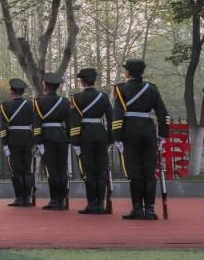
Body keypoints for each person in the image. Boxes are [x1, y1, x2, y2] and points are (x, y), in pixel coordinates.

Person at [112, 58, 170, 220]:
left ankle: (137, 208)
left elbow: (117, 115)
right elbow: (163, 114)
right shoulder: (152, 89)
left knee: (135, 171)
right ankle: (150, 209)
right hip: (148, 133)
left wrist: (117, 137)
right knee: (149, 172)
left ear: (128, 72)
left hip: (129, 133)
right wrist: (162, 135)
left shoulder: (121, 89)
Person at [69, 67, 113, 215]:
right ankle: (100, 204)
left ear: (82, 81)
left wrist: (75, 142)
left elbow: (75, 122)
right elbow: (111, 119)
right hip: (101, 135)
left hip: (85, 136)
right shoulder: (104, 97)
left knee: (88, 172)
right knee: (101, 171)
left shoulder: (76, 98)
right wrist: (111, 139)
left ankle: (91, 204)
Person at [34, 73, 71, 210]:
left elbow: (37, 124)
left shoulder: (38, 102)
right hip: (62, 138)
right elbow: (69, 123)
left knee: (52, 170)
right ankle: (62, 200)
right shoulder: (65, 101)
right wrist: (69, 139)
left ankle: (54, 200)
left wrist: (38, 142)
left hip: (47, 138)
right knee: (62, 170)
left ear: (46, 86)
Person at [0, 78, 35, 207]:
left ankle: (20, 198)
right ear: (22, 91)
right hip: (27, 139)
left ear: (11, 91)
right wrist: (35, 140)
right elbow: (35, 123)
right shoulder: (31, 105)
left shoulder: (5, 106)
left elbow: (3, 127)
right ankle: (27, 198)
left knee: (16, 170)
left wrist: (5, 144)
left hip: (13, 139)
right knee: (27, 168)